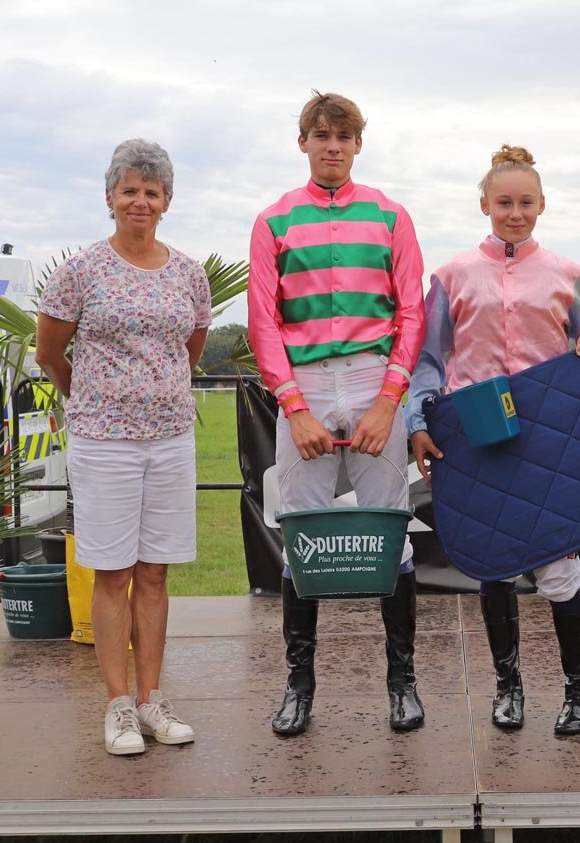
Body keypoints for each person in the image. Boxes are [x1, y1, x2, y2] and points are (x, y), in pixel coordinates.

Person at [406, 145, 580, 735]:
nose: (515, 214)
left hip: (548, 440)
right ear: (484, 204)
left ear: (542, 205)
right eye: (504, 203)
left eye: (525, 203)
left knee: (560, 572)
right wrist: (418, 422)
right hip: (476, 436)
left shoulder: (568, 273)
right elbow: (428, 359)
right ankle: (508, 689)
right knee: (492, 566)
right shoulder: (451, 275)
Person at [248, 92, 426, 736]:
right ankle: (299, 687)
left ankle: (402, 683)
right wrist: (294, 409)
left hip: (374, 377)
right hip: (307, 384)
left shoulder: (391, 216)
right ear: (303, 142)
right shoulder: (273, 221)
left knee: (392, 530)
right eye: (320, 136)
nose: (332, 147)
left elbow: (411, 313)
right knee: (301, 534)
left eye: (343, 137)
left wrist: (388, 401)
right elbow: (263, 321)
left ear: (357, 145)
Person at [37, 138, 210, 756]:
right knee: (112, 573)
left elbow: (189, 350)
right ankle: (117, 708)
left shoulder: (188, 273)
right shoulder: (81, 270)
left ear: (168, 200)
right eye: (130, 190)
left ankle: (151, 700)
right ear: (109, 197)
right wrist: (92, 399)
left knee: (155, 572)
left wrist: (154, 395)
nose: (141, 200)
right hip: (103, 442)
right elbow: (49, 353)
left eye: (152, 191)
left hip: (170, 439)